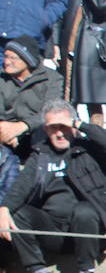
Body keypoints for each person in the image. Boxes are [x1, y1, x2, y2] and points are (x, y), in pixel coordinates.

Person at [0, 98, 106, 273]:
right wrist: (4, 209)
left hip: (89, 229)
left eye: (63, 126)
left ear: (73, 126)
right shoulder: (41, 153)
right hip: (52, 229)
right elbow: (21, 187)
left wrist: (77, 124)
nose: (58, 133)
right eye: (52, 127)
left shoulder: (90, 150)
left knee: (84, 211)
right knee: (17, 212)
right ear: (45, 129)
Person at [0, 34, 62, 196]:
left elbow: (51, 111)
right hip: (6, 136)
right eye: (5, 56)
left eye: (12, 58)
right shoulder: (1, 78)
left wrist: (22, 126)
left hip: (36, 135)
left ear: (27, 59)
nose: (7, 61)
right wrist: (7, 132)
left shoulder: (52, 79)